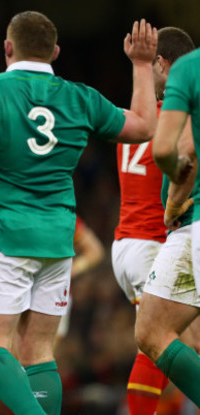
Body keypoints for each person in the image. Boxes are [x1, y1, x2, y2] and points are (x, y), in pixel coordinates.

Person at [0, 12, 158, 415]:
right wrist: (143, 66)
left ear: (7, 48)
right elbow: (144, 126)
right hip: (58, 241)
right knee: (37, 352)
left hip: (3, 239)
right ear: (55, 52)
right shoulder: (80, 97)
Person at [113, 26, 197, 415]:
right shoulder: (178, 115)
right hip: (156, 238)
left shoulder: (138, 117)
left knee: (186, 343)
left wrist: (139, 67)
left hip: (127, 241)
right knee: (158, 340)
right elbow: (184, 159)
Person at [138, 25, 200, 407]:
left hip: (194, 221)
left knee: (154, 331)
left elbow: (182, 149)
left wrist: (173, 203)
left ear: (162, 63)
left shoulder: (187, 71)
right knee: (163, 331)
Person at [55, 216, 105, 346]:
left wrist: (73, 269)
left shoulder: (62, 214)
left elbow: (95, 251)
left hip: (56, 294)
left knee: (42, 357)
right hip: (21, 291)